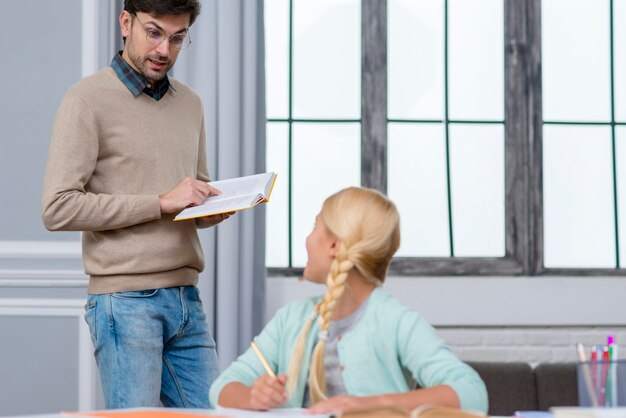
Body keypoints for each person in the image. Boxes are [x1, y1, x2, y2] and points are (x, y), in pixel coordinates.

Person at [41, 0, 229, 409]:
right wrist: (160, 203)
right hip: (125, 302)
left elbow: (193, 192)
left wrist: (211, 207)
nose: (165, 49)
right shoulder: (86, 100)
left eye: (178, 38)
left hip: (186, 298)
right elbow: (57, 207)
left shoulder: (190, 103)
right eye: (155, 32)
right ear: (126, 23)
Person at [209, 187, 488, 414]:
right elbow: (221, 389)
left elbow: (471, 393)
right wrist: (253, 396)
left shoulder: (394, 320)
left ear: (333, 245)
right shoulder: (290, 319)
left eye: (314, 226)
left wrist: (369, 404)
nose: (307, 239)